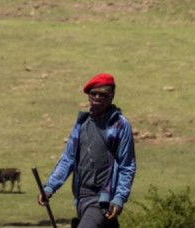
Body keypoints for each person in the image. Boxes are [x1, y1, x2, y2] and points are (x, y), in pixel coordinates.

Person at [38, 73, 136, 228]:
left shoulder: (120, 125)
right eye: (93, 94)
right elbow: (68, 159)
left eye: (103, 94)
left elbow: (127, 166)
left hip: (103, 198)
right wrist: (50, 187)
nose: (97, 97)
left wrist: (119, 198)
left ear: (112, 96)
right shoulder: (81, 123)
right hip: (81, 196)